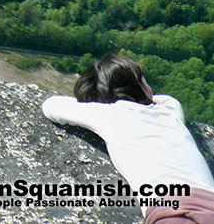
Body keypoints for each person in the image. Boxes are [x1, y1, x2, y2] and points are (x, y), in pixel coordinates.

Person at [42, 55, 214, 224]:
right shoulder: (169, 111)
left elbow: (51, 106)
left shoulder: (108, 115)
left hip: (173, 209)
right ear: (139, 87)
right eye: (144, 81)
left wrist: (94, 106)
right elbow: (168, 99)